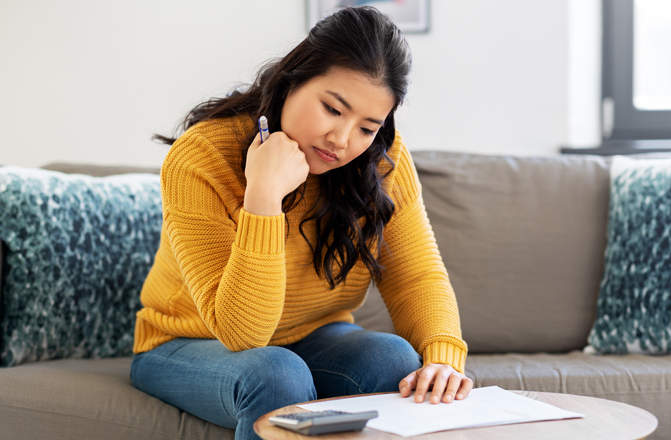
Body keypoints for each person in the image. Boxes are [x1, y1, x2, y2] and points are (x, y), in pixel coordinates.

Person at [130, 6, 471, 440]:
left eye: (367, 127)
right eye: (332, 108)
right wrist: (263, 195)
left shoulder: (380, 160)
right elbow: (242, 334)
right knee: (276, 374)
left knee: (395, 360)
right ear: (293, 80)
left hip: (314, 336)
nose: (343, 140)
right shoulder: (201, 158)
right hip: (186, 343)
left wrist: (442, 356)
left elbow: (415, 273)